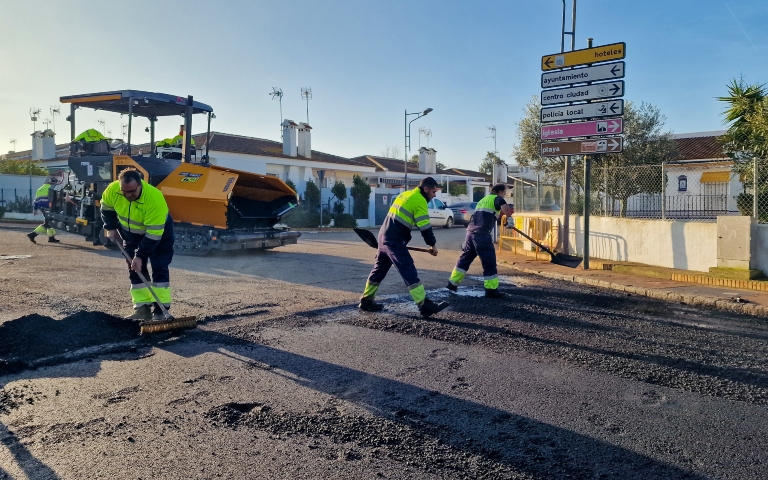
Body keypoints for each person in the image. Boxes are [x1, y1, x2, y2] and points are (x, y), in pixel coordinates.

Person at [359, 176, 449, 318]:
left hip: (383, 236)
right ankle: (424, 305)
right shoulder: (419, 200)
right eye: (433, 192)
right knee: (408, 269)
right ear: (425, 189)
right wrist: (432, 245)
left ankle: (366, 300)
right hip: (394, 241)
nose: (434, 195)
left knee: (379, 270)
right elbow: (425, 226)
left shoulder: (405, 194)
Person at [101, 168, 175, 321]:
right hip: (131, 235)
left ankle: (161, 311)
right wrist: (111, 227)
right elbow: (106, 208)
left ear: (140, 185)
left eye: (132, 191)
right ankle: (142, 309)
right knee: (134, 268)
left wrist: (140, 255)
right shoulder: (113, 190)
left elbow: (153, 235)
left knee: (159, 267)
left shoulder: (154, 199)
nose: (128, 195)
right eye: (124, 191)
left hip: (158, 236)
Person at [446, 183, 514, 298]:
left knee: (465, 258)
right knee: (489, 261)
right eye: (504, 193)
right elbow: (503, 205)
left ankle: (452, 284)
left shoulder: (483, 200)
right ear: (500, 192)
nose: (504, 195)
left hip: (470, 233)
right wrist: (510, 219)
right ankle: (491, 290)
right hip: (482, 234)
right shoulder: (497, 198)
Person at [27, 178, 59, 243]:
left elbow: (36, 201)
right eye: (55, 183)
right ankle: (32, 235)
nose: (56, 184)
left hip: (42, 208)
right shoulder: (51, 188)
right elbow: (55, 198)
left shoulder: (40, 189)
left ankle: (51, 238)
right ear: (53, 183)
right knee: (47, 223)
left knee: (49, 222)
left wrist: (35, 209)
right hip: (49, 207)